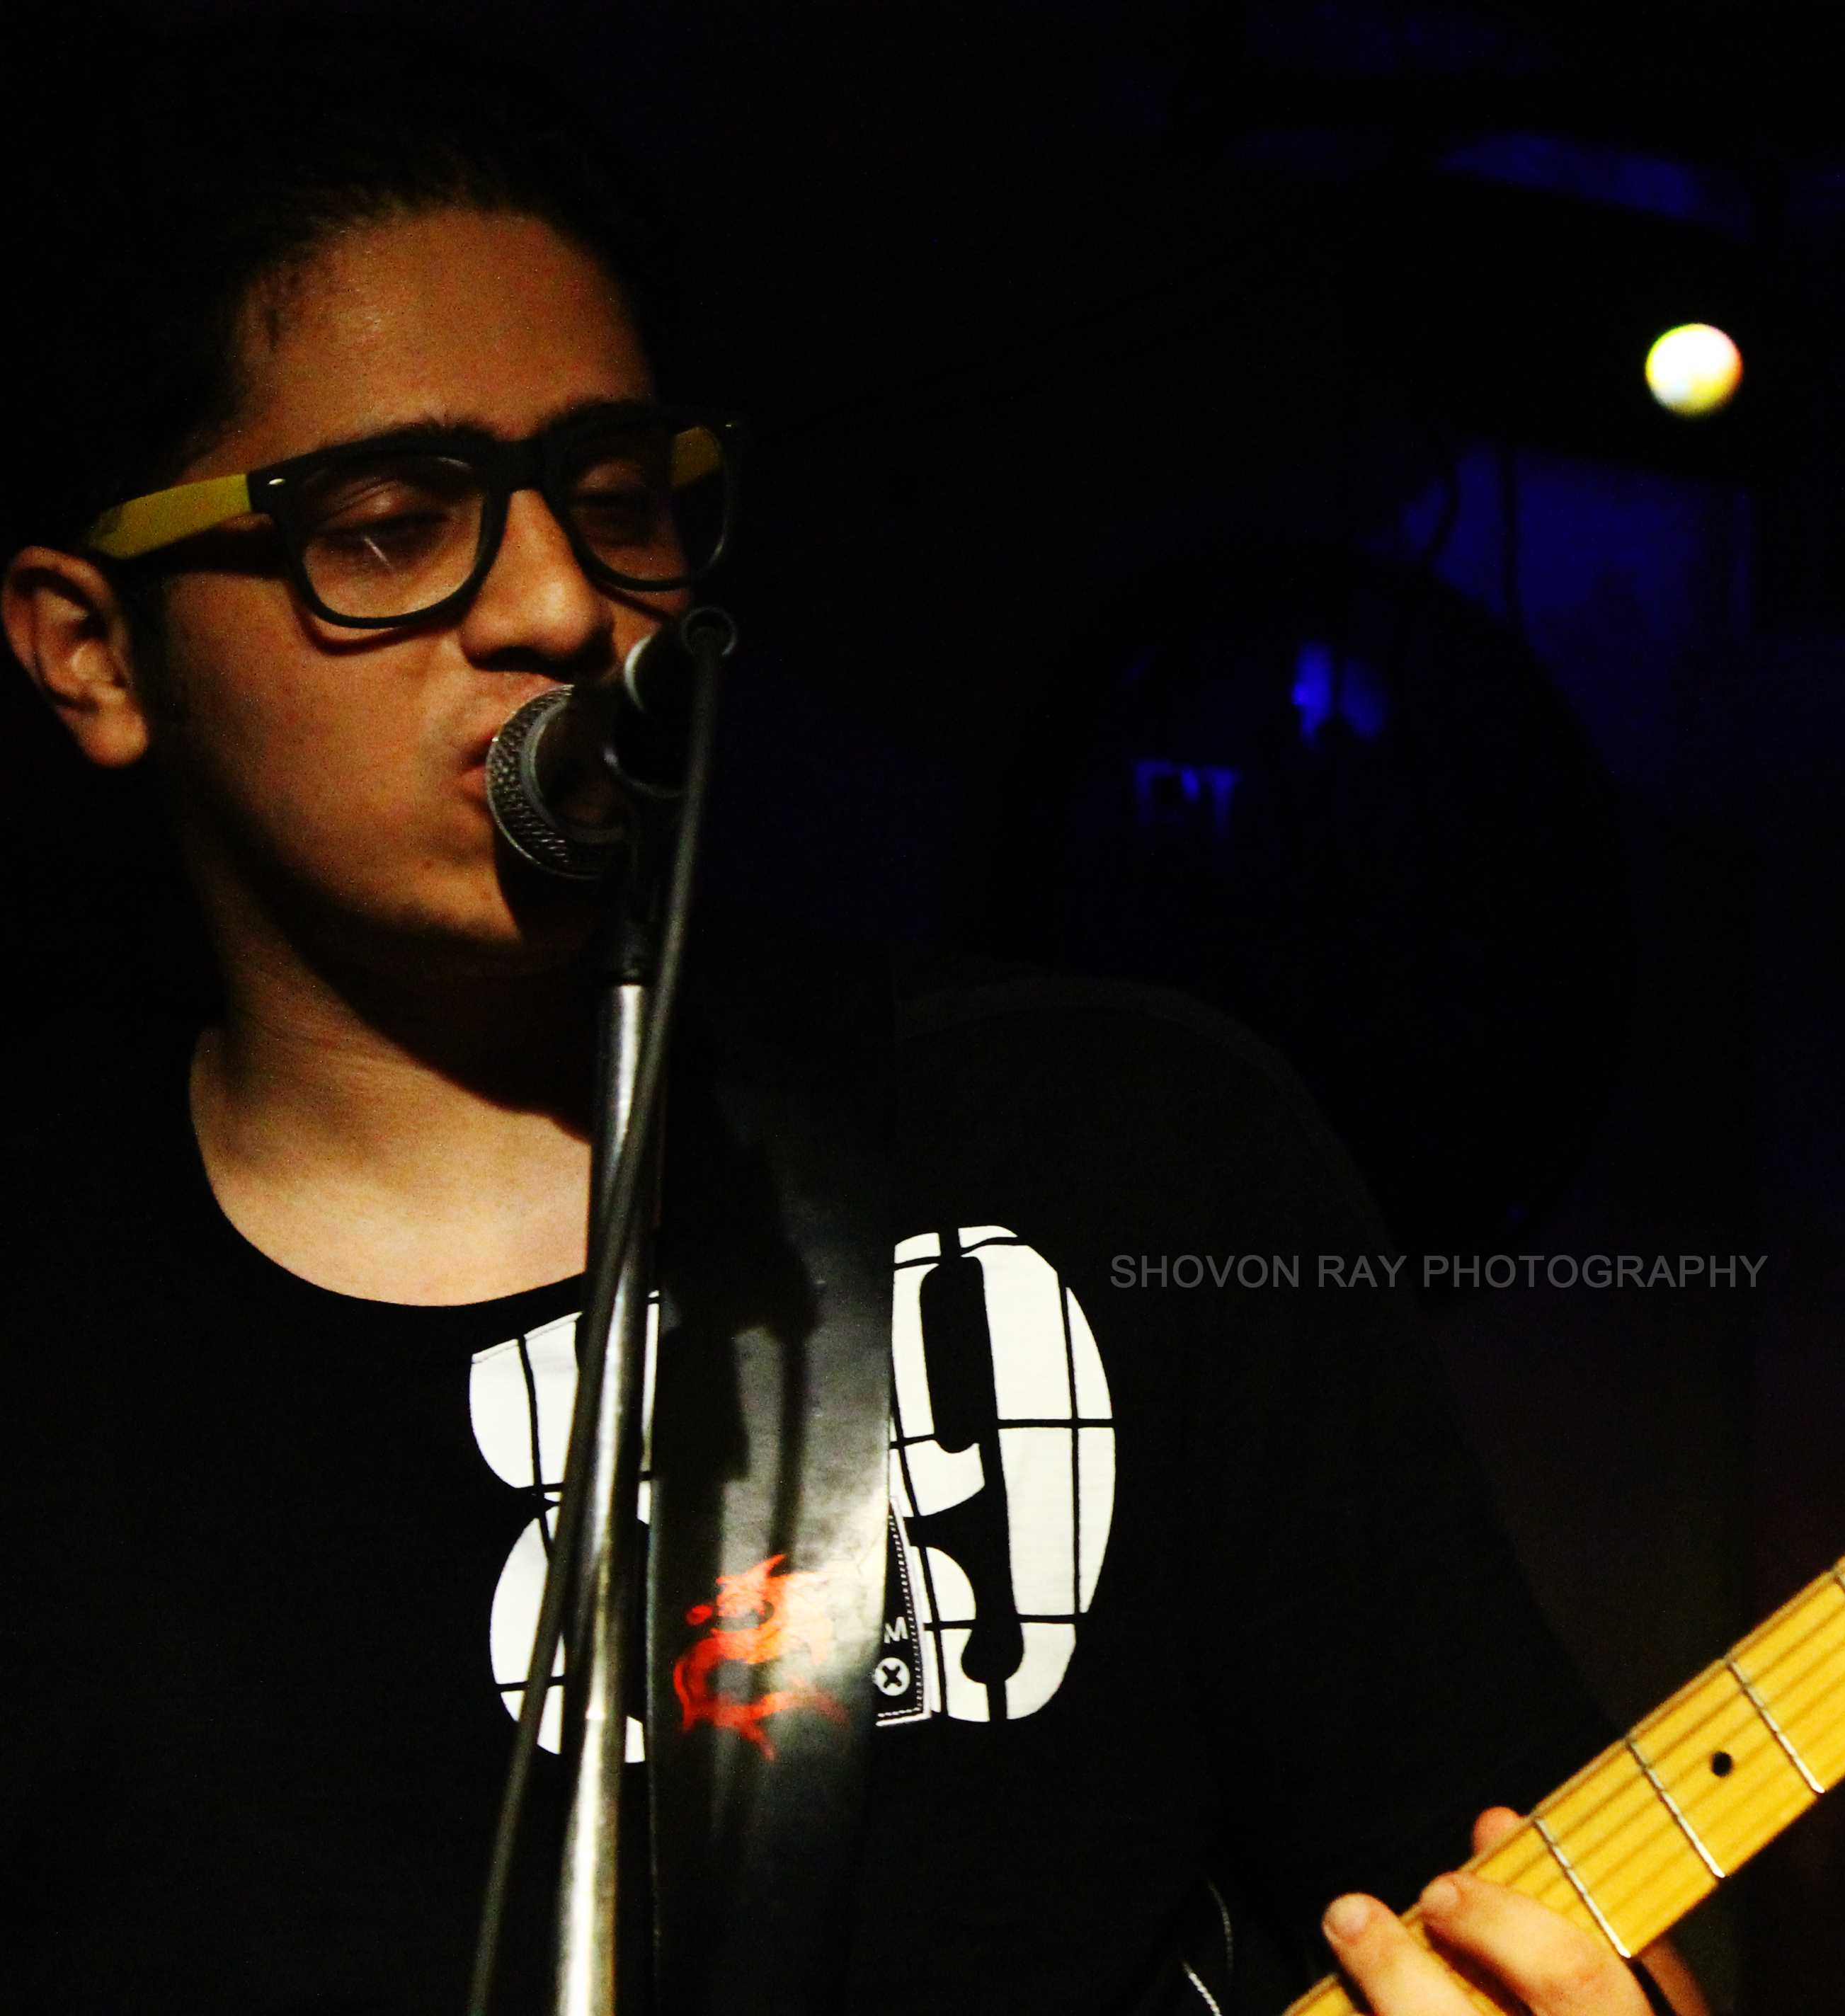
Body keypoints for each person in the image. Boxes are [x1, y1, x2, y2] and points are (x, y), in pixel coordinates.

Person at [0, 14, 1701, 2015]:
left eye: (616, 496)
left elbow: (1547, 1907)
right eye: (388, 523)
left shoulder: (1119, 1145)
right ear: (94, 653)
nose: (556, 605)